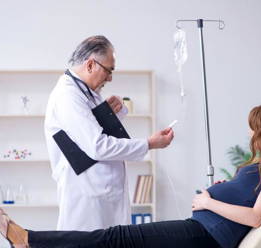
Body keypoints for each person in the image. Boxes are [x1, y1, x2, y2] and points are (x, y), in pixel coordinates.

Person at [0, 102, 261, 248]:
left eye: (255, 127)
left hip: (209, 236)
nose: (251, 133)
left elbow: (255, 217)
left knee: (117, 237)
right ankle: (31, 242)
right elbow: (251, 199)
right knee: (116, 236)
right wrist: (225, 191)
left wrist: (209, 202)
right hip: (202, 229)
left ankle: (30, 240)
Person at [44, 35, 174, 231]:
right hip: (86, 197)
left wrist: (110, 114)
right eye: (109, 70)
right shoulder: (67, 96)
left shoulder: (85, 92)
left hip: (100, 193)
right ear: (90, 65)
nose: (110, 78)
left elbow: (87, 134)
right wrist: (149, 143)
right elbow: (97, 146)